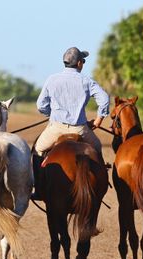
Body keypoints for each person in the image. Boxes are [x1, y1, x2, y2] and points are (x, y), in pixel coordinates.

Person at [32, 47, 110, 197]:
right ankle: (101, 185)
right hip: (80, 129)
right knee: (97, 149)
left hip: (55, 129)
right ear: (79, 63)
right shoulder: (87, 81)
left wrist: (51, 114)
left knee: (38, 150)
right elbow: (105, 99)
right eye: (84, 61)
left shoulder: (52, 79)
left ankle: (39, 189)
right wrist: (99, 119)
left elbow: (40, 105)